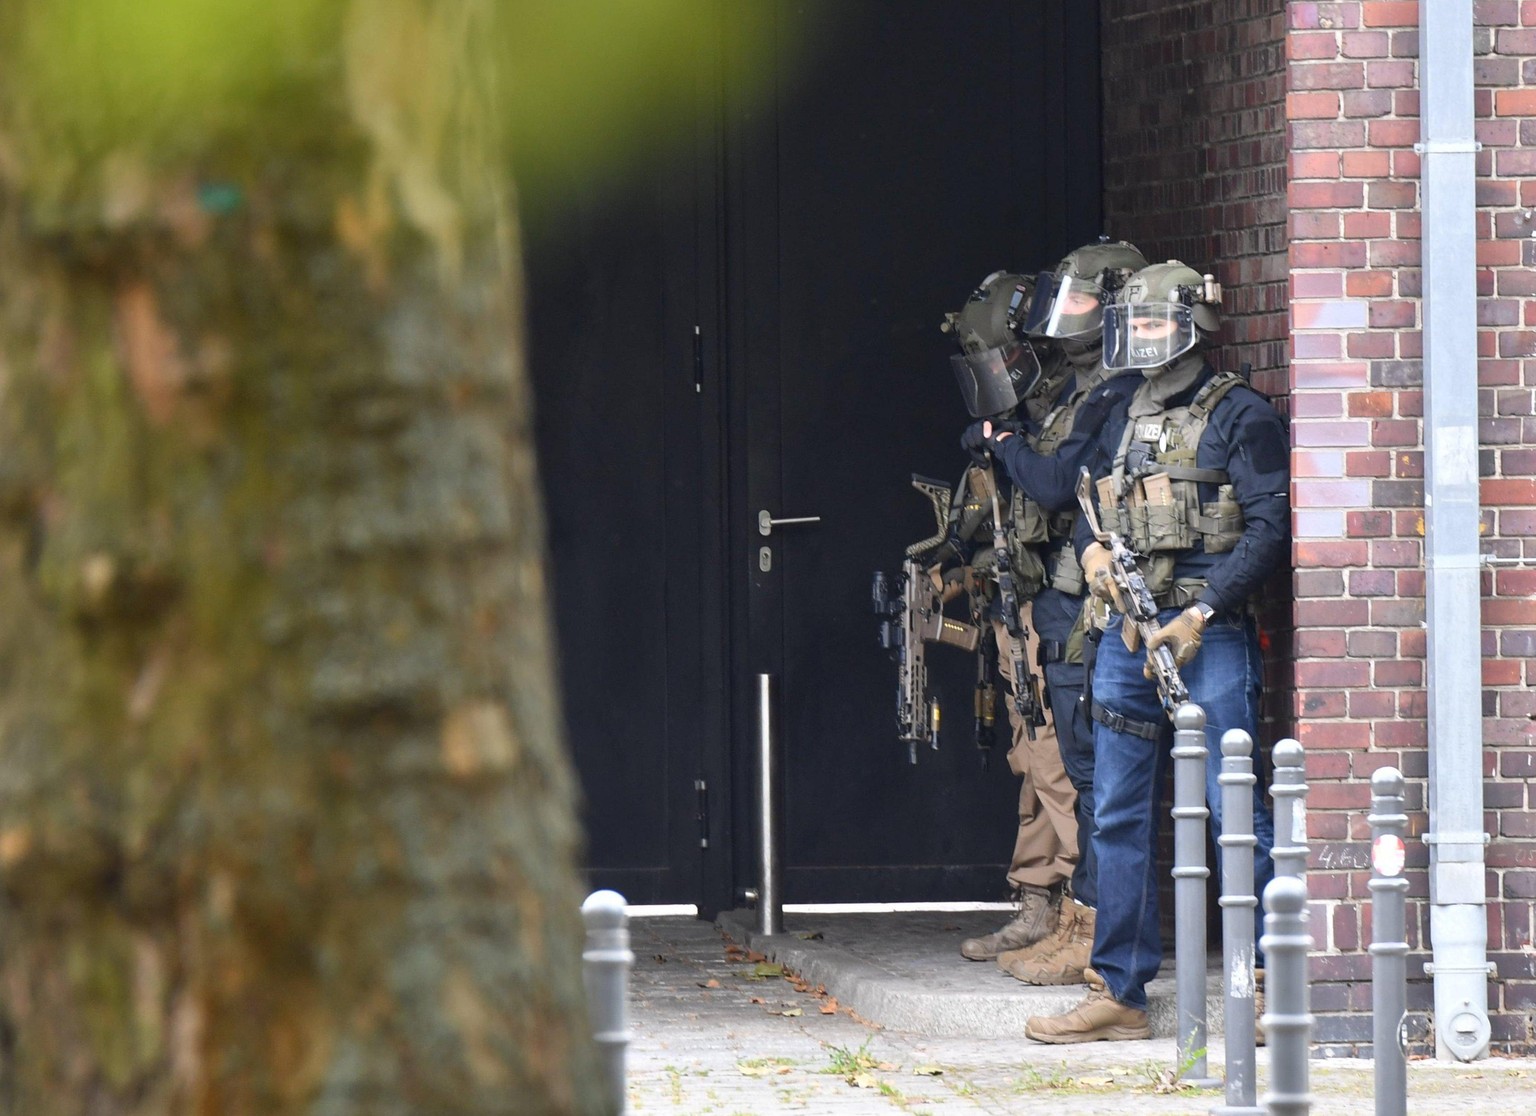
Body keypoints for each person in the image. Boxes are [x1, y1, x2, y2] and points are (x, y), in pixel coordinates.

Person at [1022, 260, 1287, 1044]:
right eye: (1128, 325)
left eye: (1151, 324)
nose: (1138, 339)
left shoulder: (1241, 414)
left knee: (1234, 807)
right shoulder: (1119, 411)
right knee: (1115, 811)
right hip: (1126, 634)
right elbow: (1083, 498)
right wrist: (1095, 557)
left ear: (1190, 325)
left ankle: (1272, 979)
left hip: (1207, 635)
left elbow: (1271, 527)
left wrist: (1204, 610)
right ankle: (1119, 989)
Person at [947, 243, 1148, 983]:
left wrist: (1006, 445)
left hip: (1080, 600)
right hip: (1045, 589)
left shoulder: (1113, 392)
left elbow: (1060, 482)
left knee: (1089, 770)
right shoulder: (1072, 391)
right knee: (1050, 754)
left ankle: (1092, 929)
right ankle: (1061, 913)